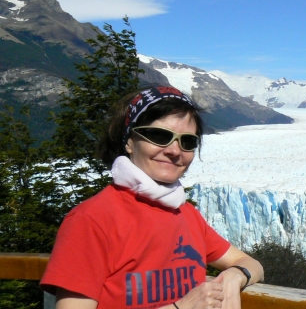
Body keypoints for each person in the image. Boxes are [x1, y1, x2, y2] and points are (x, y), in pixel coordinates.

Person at [41, 86, 264, 309]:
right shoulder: (91, 219)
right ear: (129, 141)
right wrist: (180, 308)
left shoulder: (185, 214)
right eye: (159, 136)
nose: (174, 151)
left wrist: (235, 277)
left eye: (187, 141)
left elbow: (250, 264)